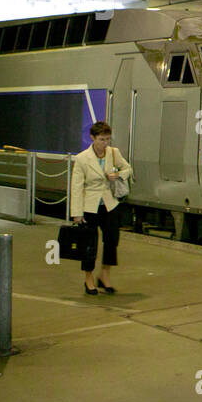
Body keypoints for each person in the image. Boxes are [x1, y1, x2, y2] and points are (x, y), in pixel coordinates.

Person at [70, 121, 133, 295]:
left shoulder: (113, 153)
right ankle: (88, 278)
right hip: (89, 206)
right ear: (92, 138)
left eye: (107, 139)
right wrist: (76, 213)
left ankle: (104, 275)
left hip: (110, 203)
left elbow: (128, 168)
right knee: (90, 244)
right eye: (101, 139)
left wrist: (118, 174)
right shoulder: (82, 158)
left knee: (112, 240)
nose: (104, 143)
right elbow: (76, 187)